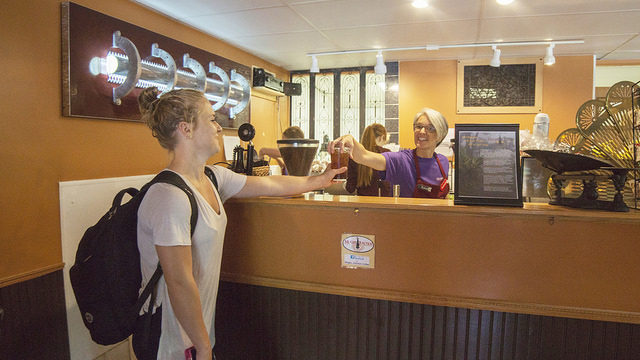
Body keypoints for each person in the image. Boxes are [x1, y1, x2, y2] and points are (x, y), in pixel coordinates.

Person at [134, 87, 344, 360]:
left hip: (197, 332)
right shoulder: (169, 196)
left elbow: (269, 183)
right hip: (170, 338)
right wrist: (203, 346)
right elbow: (179, 282)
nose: (218, 127)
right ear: (185, 129)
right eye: (211, 119)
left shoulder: (213, 177)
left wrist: (317, 181)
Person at [329, 108, 449, 198]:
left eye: (430, 128)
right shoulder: (401, 160)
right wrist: (351, 140)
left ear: (440, 135)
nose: (422, 132)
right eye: (419, 126)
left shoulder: (443, 162)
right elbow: (364, 156)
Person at [345, 123, 391, 196]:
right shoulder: (386, 154)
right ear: (381, 137)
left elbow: (350, 188)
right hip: (383, 202)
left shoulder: (355, 155)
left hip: (362, 203)